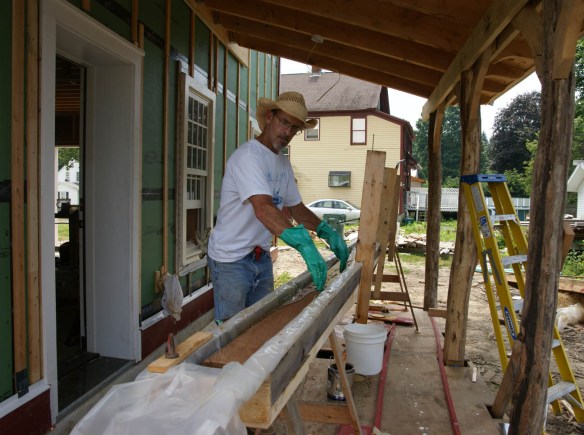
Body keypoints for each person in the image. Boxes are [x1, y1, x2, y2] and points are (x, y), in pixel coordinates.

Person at [207, 91, 349, 323]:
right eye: (284, 122)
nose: (288, 132)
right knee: (232, 334)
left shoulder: (282, 162)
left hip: (260, 257)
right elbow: (263, 208)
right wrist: (303, 243)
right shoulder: (248, 157)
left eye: (295, 128)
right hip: (231, 259)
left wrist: (325, 230)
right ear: (270, 117)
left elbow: (297, 208)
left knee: (262, 325)